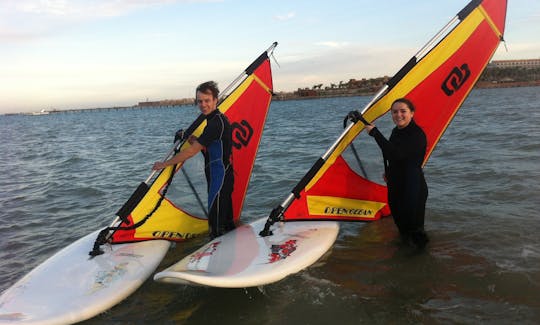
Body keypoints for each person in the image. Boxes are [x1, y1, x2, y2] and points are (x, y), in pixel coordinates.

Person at [152, 81, 235, 239]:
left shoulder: (215, 123)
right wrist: (190, 137)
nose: (203, 105)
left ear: (216, 100)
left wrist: (165, 164)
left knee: (216, 226)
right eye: (200, 101)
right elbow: (210, 144)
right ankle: (233, 245)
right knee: (225, 221)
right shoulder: (214, 120)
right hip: (221, 176)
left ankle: (218, 254)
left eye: (207, 100)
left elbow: (191, 152)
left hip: (220, 179)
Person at [363, 98, 429, 249]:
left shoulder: (416, 134)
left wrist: (375, 133)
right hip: (396, 184)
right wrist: (389, 172)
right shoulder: (396, 131)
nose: (398, 115)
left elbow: (397, 155)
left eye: (403, 111)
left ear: (412, 113)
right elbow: (391, 155)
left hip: (413, 186)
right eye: (394, 112)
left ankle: (421, 261)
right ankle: (404, 255)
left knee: (415, 229)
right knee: (401, 225)